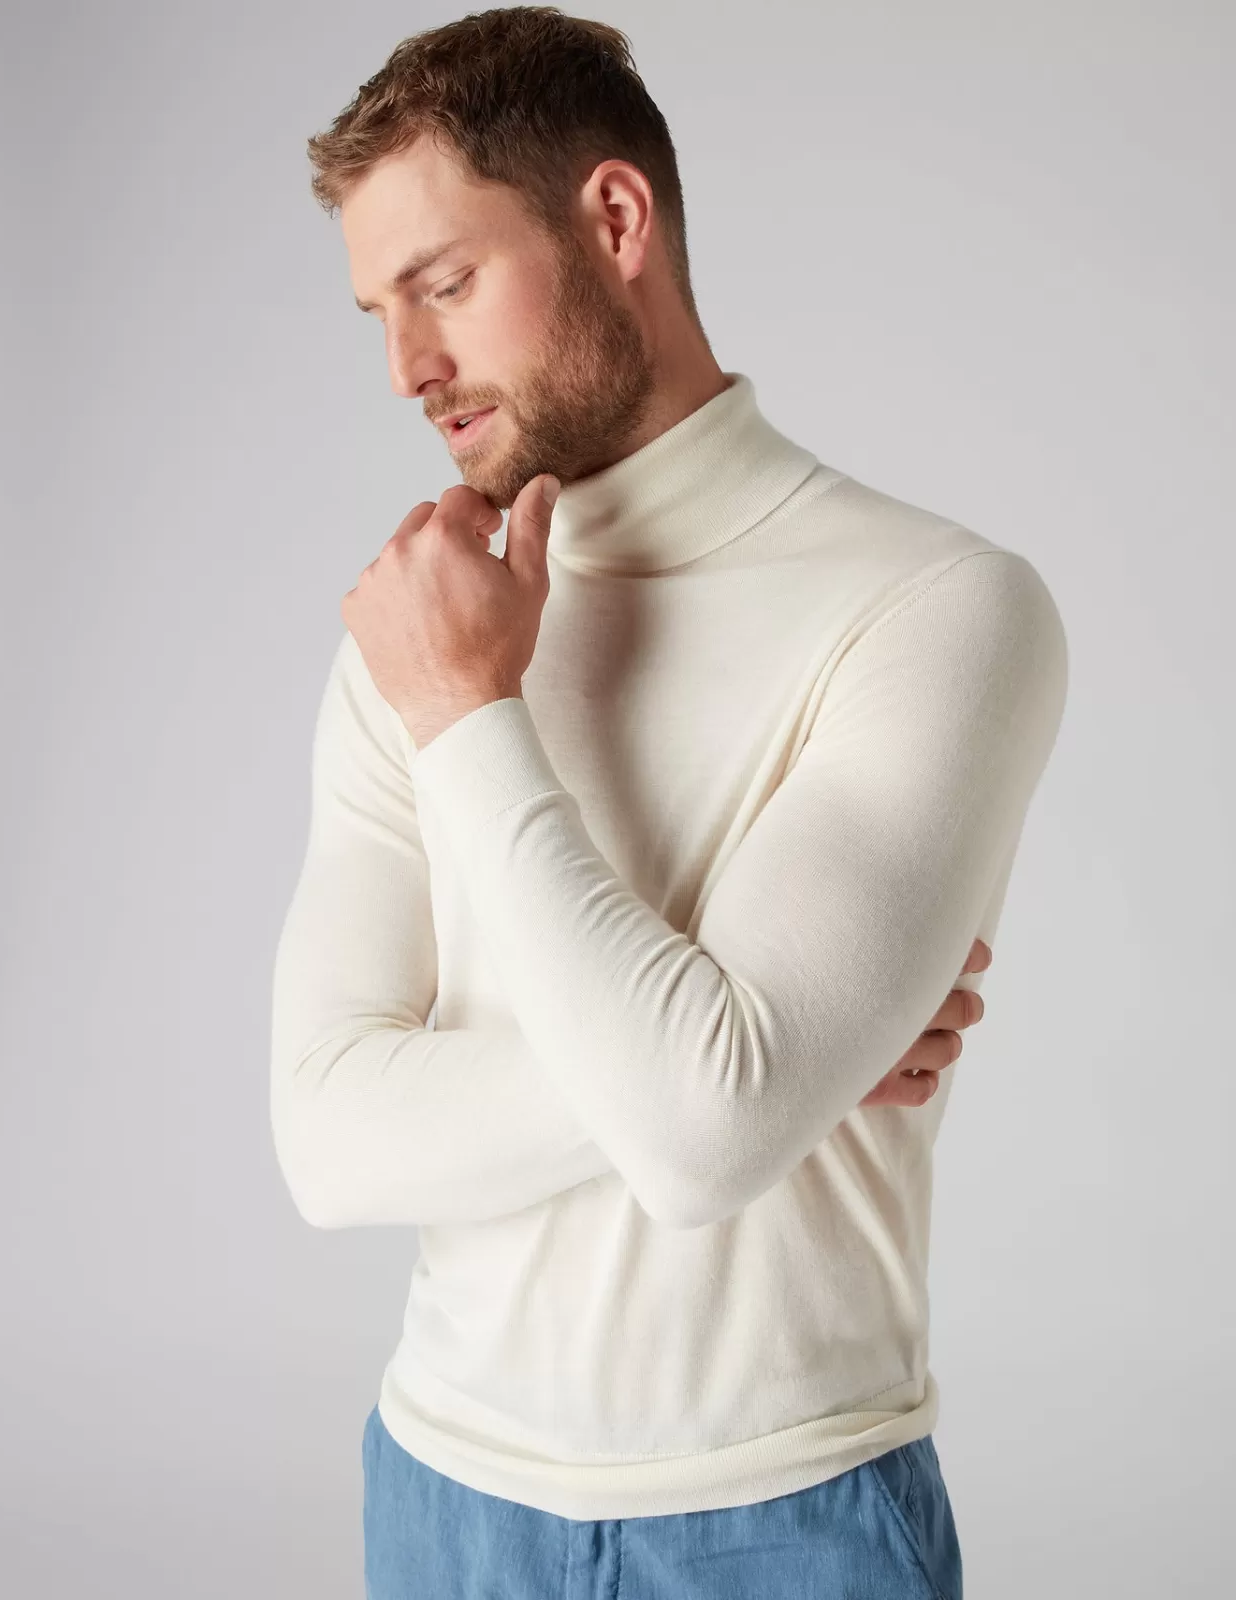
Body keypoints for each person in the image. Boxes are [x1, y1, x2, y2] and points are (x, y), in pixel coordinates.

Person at [270, 8, 1068, 1597]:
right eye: (378, 312)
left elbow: (705, 1138)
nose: (408, 368)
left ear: (616, 220)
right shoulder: (411, 627)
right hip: (442, 1502)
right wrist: (752, 1066)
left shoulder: (936, 606)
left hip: (787, 1520)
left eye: (444, 283)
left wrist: (474, 716)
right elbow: (328, 1143)